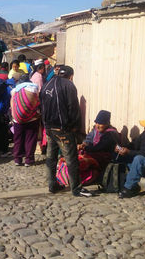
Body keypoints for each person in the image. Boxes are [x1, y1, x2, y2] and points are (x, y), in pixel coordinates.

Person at [40, 65, 92, 197]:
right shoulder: (69, 85)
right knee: (71, 159)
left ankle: (52, 185)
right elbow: (73, 107)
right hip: (63, 129)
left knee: (51, 158)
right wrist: (75, 126)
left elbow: (42, 105)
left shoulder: (47, 84)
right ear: (71, 76)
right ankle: (76, 188)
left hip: (49, 128)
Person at [11, 81, 40, 167]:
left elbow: (12, 104)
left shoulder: (15, 90)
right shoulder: (34, 89)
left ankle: (17, 159)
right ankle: (29, 160)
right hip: (32, 119)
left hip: (17, 120)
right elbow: (37, 103)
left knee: (18, 139)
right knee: (30, 139)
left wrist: (14, 116)